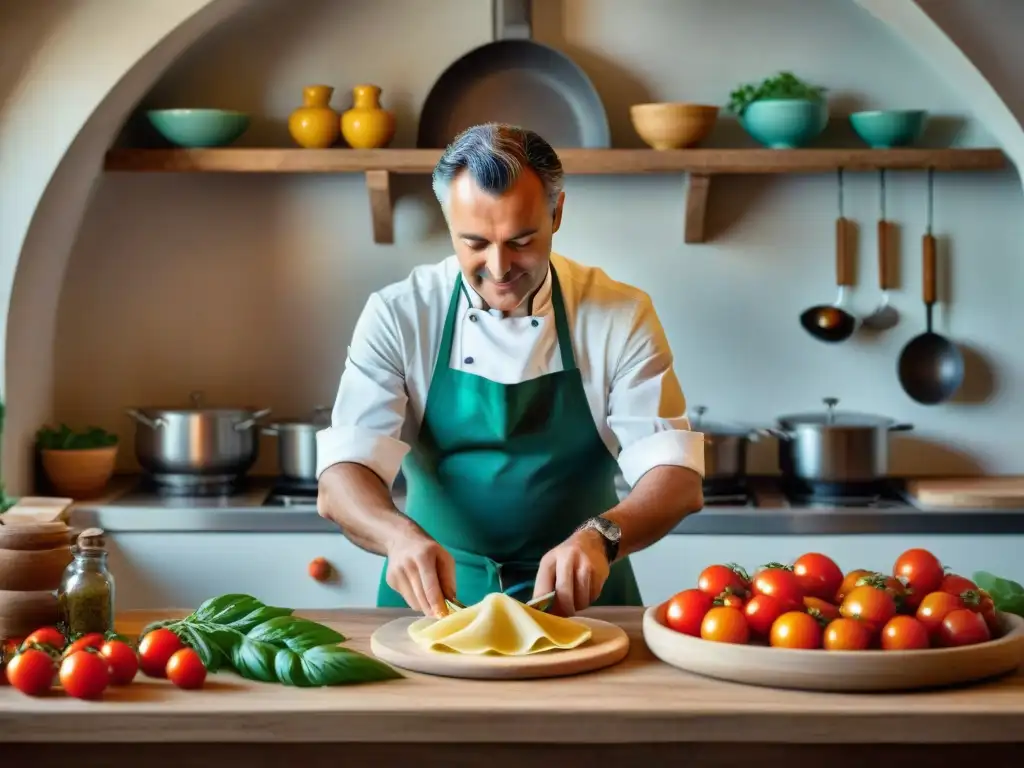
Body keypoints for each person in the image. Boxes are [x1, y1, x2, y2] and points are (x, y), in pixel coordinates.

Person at [316, 123, 704, 618]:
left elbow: (674, 477)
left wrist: (600, 537)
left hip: (583, 602)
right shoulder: (400, 313)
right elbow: (342, 478)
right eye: (474, 242)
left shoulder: (619, 314)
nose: (498, 268)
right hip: (431, 603)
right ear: (447, 219)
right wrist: (396, 535)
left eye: (521, 240)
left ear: (557, 213)